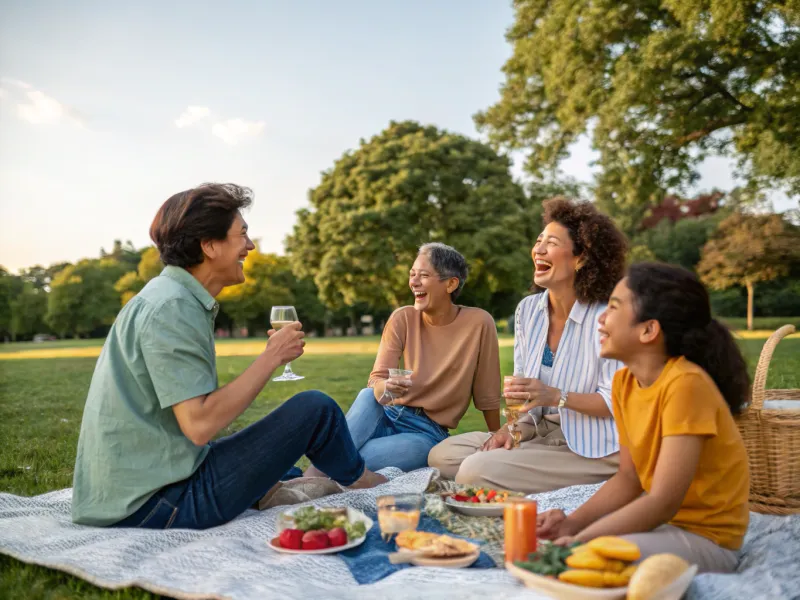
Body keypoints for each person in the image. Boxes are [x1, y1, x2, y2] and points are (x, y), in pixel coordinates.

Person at [71, 183, 385, 530]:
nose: (250, 246)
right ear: (209, 245)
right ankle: (363, 484)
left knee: (286, 466)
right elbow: (199, 424)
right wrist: (271, 357)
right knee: (315, 410)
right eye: (242, 234)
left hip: (139, 490)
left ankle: (285, 484)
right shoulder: (172, 307)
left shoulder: (169, 296)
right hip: (157, 504)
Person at [538, 262, 750, 574]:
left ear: (648, 330)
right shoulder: (624, 384)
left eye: (613, 307)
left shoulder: (686, 384)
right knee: (568, 557)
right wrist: (571, 525)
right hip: (662, 528)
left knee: (583, 562)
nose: (601, 318)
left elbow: (664, 500)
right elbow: (629, 479)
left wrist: (582, 540)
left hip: (708, 540)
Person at [428, 197, 628, 493]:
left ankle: (589, 478)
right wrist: (513, 428)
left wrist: (554, 395)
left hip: (595, 446)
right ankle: (519, 466)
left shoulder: (607, 317)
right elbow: (525, 394)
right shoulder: (528, 310)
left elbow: (617, 403)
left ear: (581, 258)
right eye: (538, 241)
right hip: (541, 431)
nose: (539, 249)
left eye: (552, 242)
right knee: (442, 456)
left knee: (473, 471)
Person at [340, 242, 502, 473]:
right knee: (366, 397)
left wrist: (496, 436)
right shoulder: (402, 318)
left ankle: (309, 479)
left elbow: (487, 393)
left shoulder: (479, 323)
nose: (413, 282)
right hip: (386, 414)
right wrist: (387, 386)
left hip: (426, 433)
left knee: (349, 459)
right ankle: (307, 481)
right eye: (412, 274)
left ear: (451, 283)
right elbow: (375, 382)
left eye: (423, 275)